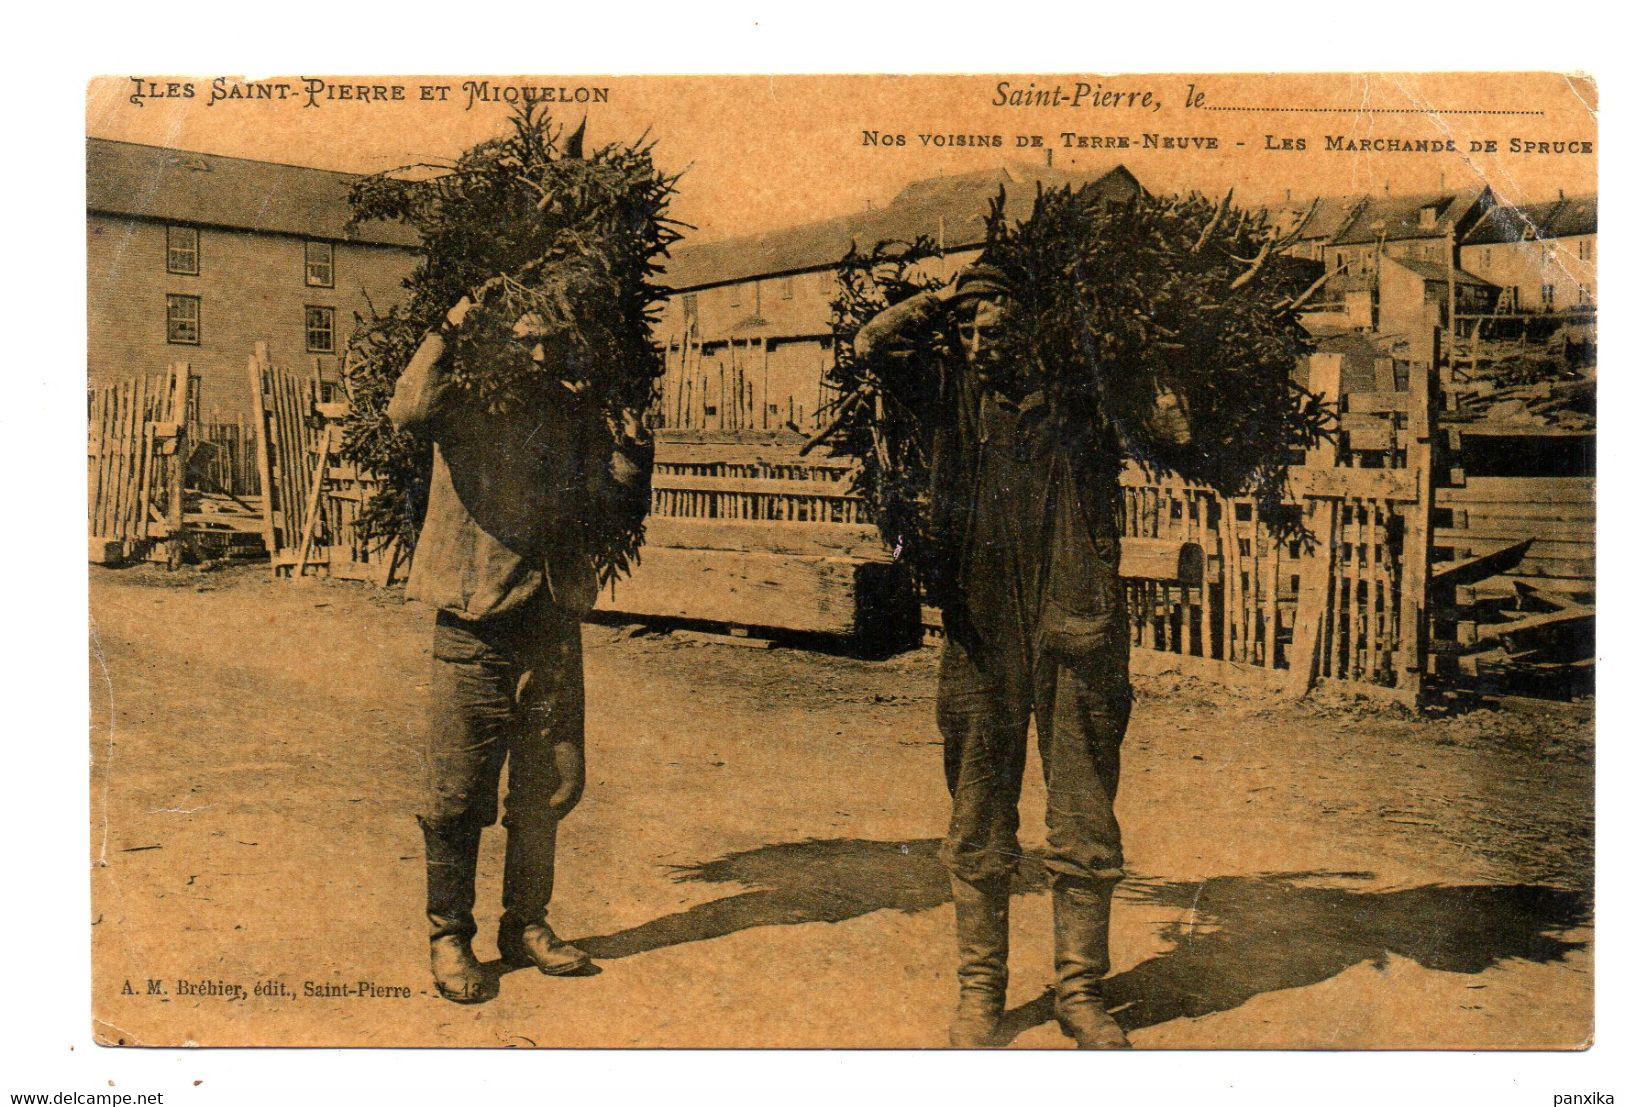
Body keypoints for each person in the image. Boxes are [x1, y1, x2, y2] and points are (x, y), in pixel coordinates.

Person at [853, 262, 1190, 1048]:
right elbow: (874, 343)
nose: (977, 343)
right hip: (981, 633)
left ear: (1029, 329)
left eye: (993, 328)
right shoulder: (948, 394)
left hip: (1076, 628)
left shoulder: (1083, 399)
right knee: (976, 813)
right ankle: (981, 993)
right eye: (967, 331)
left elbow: (1174, 428)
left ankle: (1080, 992)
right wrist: (947, 296)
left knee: (1082, 816)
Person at [388, 295, 652, 1004]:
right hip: (474, 622)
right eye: (522, 341)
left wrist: (630, 452)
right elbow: (406, 409)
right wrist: (450, 325)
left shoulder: (571, 414)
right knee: (456, 793)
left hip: (551, 623)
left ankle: (526, 923)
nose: (538, 356)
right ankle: (449, 934)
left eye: (549, 342)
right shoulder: (461, 405)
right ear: (494, 345)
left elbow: (605, 509)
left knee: (551, 783)